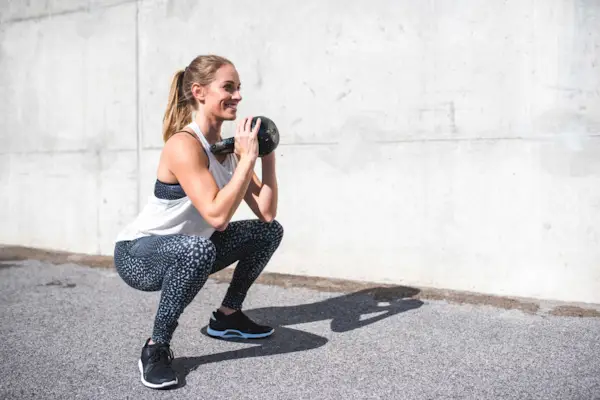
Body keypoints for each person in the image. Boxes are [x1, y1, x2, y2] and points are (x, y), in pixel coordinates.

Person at [113, 55, 284, 389]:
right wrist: (247, 159)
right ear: (199, 92)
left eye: (239, 89)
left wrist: (266, 154)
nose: (238, 96)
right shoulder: (183, 145)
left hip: (193, 248)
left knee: (268, 232)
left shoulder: (231, 151)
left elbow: (266, 213)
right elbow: (218, 216)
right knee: (197, 249)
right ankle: (156, 347)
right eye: (228, 87)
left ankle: (228, 316)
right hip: (139, 255)